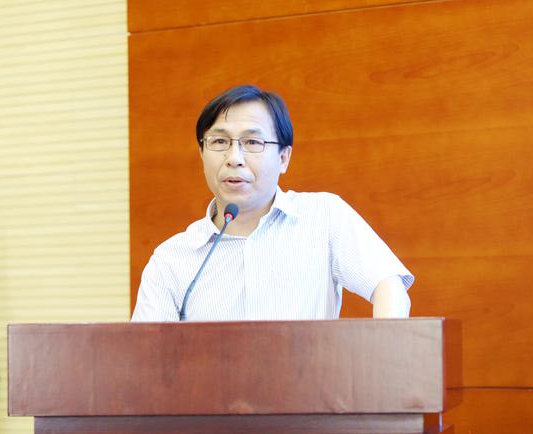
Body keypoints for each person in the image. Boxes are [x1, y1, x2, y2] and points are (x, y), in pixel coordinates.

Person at [132, 85, 413, 322]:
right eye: (219, 141)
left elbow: (388, 286)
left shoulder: (324, 217)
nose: (234, 158)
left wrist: (385, 352)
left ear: (283, 158)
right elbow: (144, 355)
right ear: (202, 154)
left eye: (253, 142)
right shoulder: (171, 260)